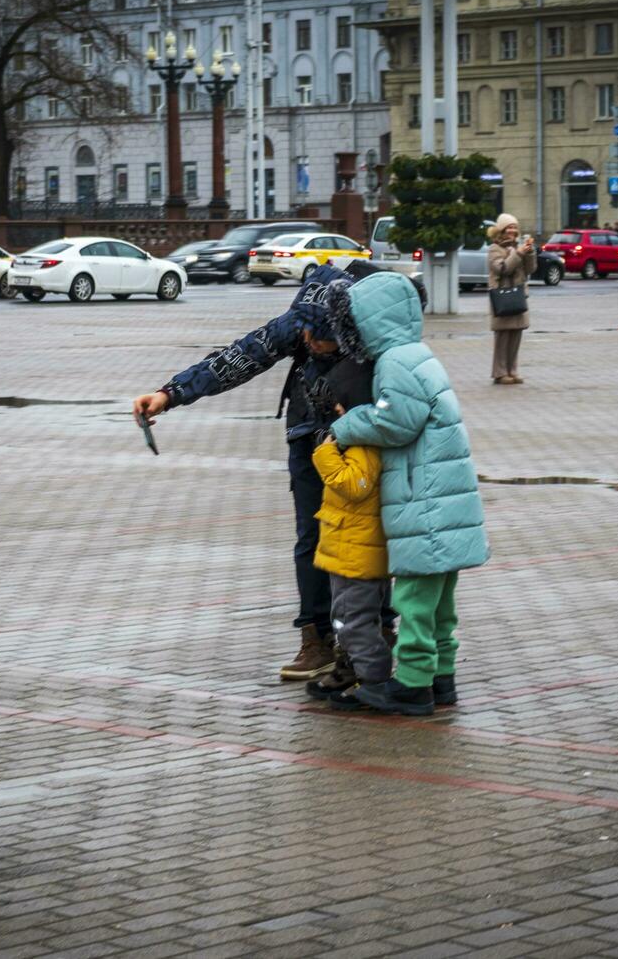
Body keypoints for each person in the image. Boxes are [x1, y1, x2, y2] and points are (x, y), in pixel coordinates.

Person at [132, 262, 397, 681]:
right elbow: (240, 358)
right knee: (312, 536)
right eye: (304, 332)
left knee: (369, 534)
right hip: (310, 437)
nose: (309, 341)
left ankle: (379, 630)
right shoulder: (300, 319)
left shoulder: (373, 327)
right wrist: (169, 394)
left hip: (364, 443)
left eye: (320, 336)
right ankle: (316, 637)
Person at [324, 271, 490, 716]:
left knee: (414, 599)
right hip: (442, 501)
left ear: (372, 320)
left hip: (426, 505)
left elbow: (395, 422)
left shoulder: (396, 362)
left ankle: (414, 685)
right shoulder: (418, 355)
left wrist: (344, 425)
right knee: (439, 604)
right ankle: (442, 678)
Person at [304, 359, 395, 709]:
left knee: (356, 622)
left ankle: (375, 681)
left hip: (357, 554)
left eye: (340, 405)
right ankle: (356, 672)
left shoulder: (364, 443)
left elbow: (354, 485)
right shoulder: (358, 438)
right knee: (347, 619)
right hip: (346, 550)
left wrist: (325, 453)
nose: (336, 412)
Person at [486, 213, 536, 385]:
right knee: (503, 337)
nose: (513, 231)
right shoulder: (494, 249)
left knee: (516, 335)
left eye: (515, 227)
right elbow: (503, 268)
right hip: (502, 298)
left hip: (518, 296)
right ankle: (500, 373)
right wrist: (518, 254)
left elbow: (530, 269)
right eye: (509, 227)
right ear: (501, 229)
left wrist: (529, 253)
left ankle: (512, 370)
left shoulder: (518, 247)